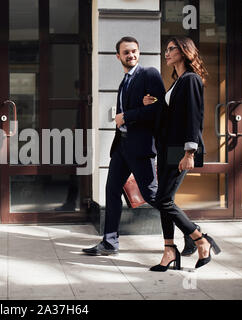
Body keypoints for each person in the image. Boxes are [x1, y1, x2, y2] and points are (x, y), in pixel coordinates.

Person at [143, 36, 221, 271]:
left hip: (181, 149)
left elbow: (194, 117)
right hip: (168, 148)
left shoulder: (191, 80)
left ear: (184, 51)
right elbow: (173, 114)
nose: (166, 53)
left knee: (163, 200)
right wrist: (155, 103)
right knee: (165, 199)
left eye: (171, 49)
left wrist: (189, 152)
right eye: (165, 50)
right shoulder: (177, 81)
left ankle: (200, 239)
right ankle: (169, 250)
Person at [82, 36, 165, 255]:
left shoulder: (149, 75)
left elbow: (159, 110)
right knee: (111, 190)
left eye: (134, 51)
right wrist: (126, 118)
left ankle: (192, 232)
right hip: (122, 146)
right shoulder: (124, 80)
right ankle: (110, 242)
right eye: (126, 52)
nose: (131, 55)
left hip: (140, 147)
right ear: (118, 56)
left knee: (151, 195)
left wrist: (125, 116)